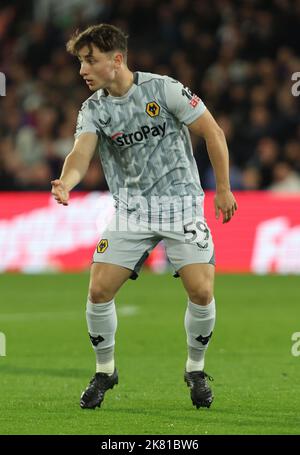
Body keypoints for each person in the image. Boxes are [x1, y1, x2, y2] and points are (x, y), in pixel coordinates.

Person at [51, 24, 237, 410]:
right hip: (132, 211)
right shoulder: (94, 109)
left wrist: (222, 189)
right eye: (81, 62)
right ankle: (105, 372)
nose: (82, 70)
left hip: (181, 205)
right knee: (98, 290)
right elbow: (80, 154)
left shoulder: (164, 89)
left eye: (90, 61)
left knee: (201, 291)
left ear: (116, 60)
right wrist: (66, 182)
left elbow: (213, 133)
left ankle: (196, 369)